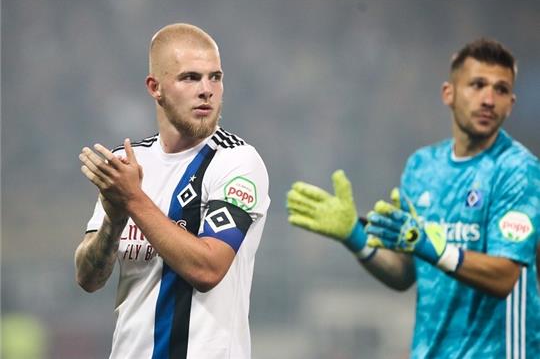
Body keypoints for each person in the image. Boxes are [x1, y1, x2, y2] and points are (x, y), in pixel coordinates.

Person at [287, 38, 539, 358]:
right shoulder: (422, 166)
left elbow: (505, 276)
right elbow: (404, 274)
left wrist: (435, 248)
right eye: (477, 85)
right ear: (449, 93)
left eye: (501, 90)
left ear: (511, 103)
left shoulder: (518, 169)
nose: (489, 99)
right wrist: (355, 236)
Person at [75, 23, 270, 359]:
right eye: (190, 78)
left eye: (215, 77)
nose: (207, 90)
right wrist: (115, 219)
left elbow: (208, 269)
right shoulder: (128, 164)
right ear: (156, 87)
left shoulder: (237, 162)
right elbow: (88, 277)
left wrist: (133, 199)